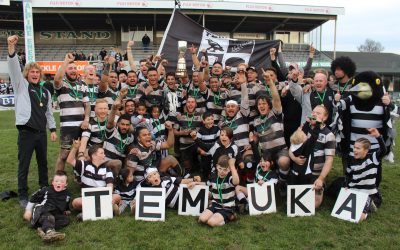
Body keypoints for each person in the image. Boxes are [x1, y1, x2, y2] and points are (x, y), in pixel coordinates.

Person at [7, 35, 57, 208]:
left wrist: (52, 130)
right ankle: (23, 194)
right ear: (26, 74)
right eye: (32, 72)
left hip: (41, 133)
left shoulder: (46, 91)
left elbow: (49, 112)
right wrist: (11, 48)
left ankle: (43, 188)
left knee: (43, 163)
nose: (35, 74)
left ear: (40, 75)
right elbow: (14, 68)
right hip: (27, 132)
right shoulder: (21, 85)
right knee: (24, 165)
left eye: (37, 72)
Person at [289, 105, 335, 208]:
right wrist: (294, 158)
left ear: (325, 117)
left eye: (318, 113)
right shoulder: (303, 128)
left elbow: (329, 160)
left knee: (314, 205)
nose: (314, 114)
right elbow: (292, 147)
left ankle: (320, 187)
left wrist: (321, 178)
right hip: (300, 171)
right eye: (313, 112)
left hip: (315, 174)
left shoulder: (329, 135)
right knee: (292, 201)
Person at [53, 53, 90, 171]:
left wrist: (87, 119)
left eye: (75, 68)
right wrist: (65, 62)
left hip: (82, 125)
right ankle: (58, 178)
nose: (73, 70)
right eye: (70, 68)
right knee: (64, 155)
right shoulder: (61, 83)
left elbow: (87, 104)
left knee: (81, 153)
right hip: (68, 126)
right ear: (65, 71)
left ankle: (79, 177)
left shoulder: (82, 84)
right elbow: (57, 78)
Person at [66, 143, 121, 217]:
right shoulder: (84, 165)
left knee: (117, 197)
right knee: (76, 202)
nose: (104, 156)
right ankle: (107, 209)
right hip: (88, 198)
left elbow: (110, 187)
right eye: (102, 153)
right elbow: (70, 160)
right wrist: (75, 148)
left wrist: (106, 197)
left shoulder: (107, 170)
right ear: (94, 156)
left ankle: (87, 212)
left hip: (102, 198)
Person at [345, 128, 386, 221]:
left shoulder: (373, 158)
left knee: (359, 218)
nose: (354, 150)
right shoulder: (350, 160)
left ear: (366, 150)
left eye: (358, 148)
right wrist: (346, 186)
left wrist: (378, 137)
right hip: (354, 191)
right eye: (354, 147)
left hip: (367, 192)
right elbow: (348, 175)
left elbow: (384, 150)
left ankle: (370, 204)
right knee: (343, 212)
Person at [23, 170, 70, 243]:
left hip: (55, 213)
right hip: (42, 211)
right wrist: (28, 210)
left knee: (66, 220)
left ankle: (42, 229)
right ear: (52, 182)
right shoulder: (46, 190)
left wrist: (67, 210)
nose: (59, 183)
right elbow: (33, 197)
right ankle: (50, 232)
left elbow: (65, 203)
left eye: (62, 181)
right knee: (49, 217)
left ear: (66, 184)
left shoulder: (67, 194)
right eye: (56, 181)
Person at [198, 155, 239, 227]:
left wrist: (232, 166)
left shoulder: (229, 178)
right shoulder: (214, 176)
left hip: (226, 207)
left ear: (229, 169)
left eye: (225, 170)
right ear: (217, 166)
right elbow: (206, 184)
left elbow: (236, 182)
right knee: (202, 219)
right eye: (220, 168)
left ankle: (230, 217)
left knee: (211, 222)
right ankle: (216, 216)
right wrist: (194, 183)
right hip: (215, 205)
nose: (222, 172)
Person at [136, 168, 202, 209]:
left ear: (158, 174)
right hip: (177, 205)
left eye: (155, 174)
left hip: (184, 194)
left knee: (200, 189)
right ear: (148, 181)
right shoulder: (151, 191)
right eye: (150, 176)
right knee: (200, 203)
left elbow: (181, 181)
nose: (154, 177)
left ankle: (208, 187)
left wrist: (193, 179)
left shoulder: (166, 178)